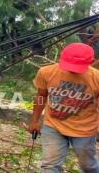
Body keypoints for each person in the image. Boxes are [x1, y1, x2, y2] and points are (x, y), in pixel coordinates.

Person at [28, 43, 99, 172]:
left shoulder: (96, 78)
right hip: (53, 126)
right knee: (50, 166)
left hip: (84, 130)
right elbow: (41, 96)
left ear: (92, 62)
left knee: (88, 166)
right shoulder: (46, 72)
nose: (72, 70)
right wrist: (34, 120)